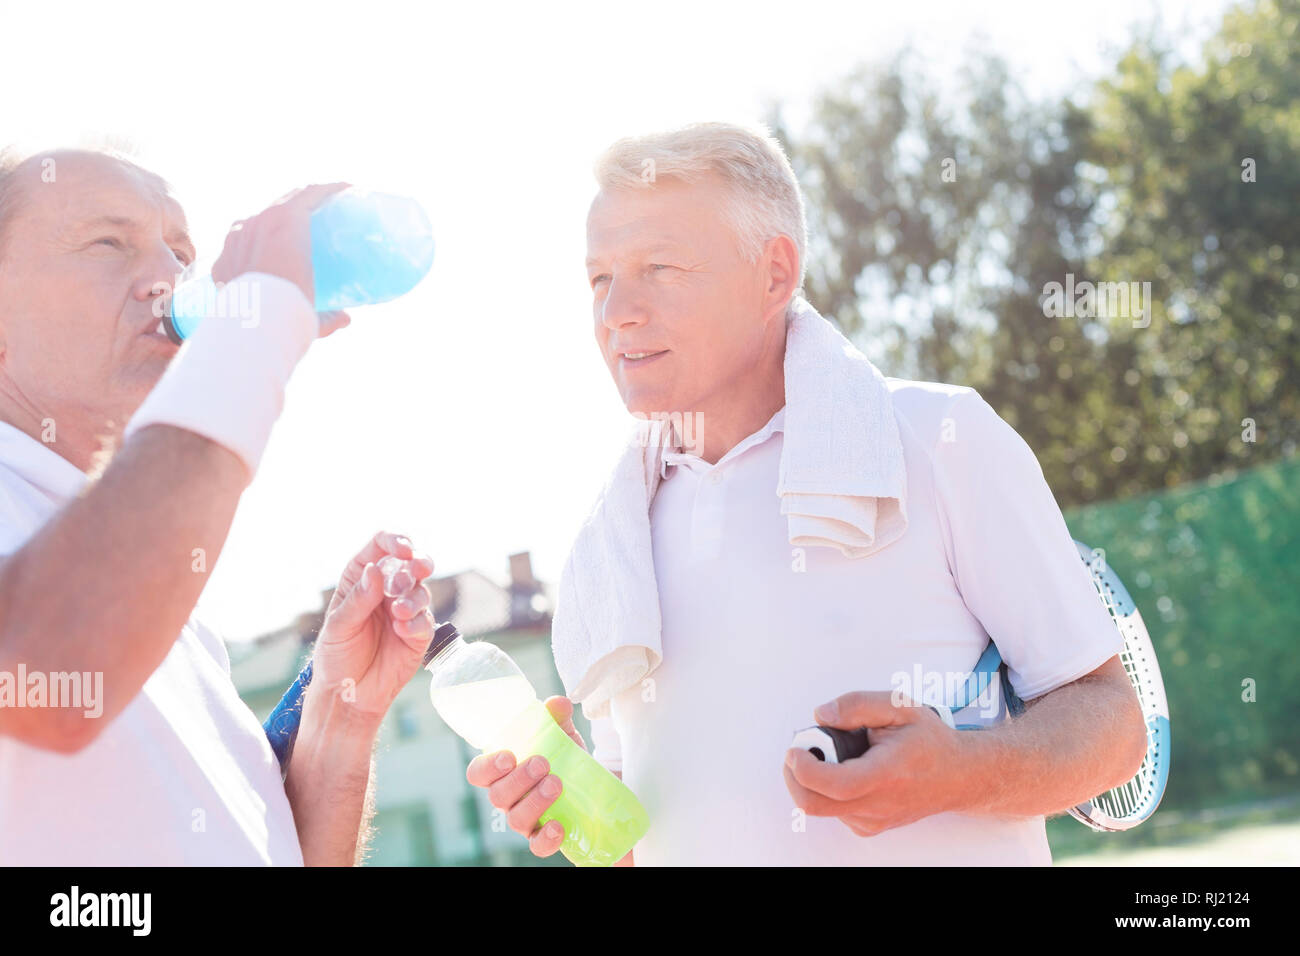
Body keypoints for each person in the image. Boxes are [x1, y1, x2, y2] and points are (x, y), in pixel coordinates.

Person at [466, 121, 1148, 865]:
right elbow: (645, 848)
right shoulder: (610, 541)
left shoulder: (939, 437)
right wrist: (580, 810)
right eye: (599, 278)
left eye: (659, 267)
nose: (616, 311)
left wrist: (960, 773)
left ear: (774, 273)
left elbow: (1113, 727)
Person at [0, 146, 436, 865]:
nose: (170, 281)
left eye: (181, 253)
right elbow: (44, 674)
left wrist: (340, 715)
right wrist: (258, 322)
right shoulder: (73, 599)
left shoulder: (162, 608)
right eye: (109, 242)